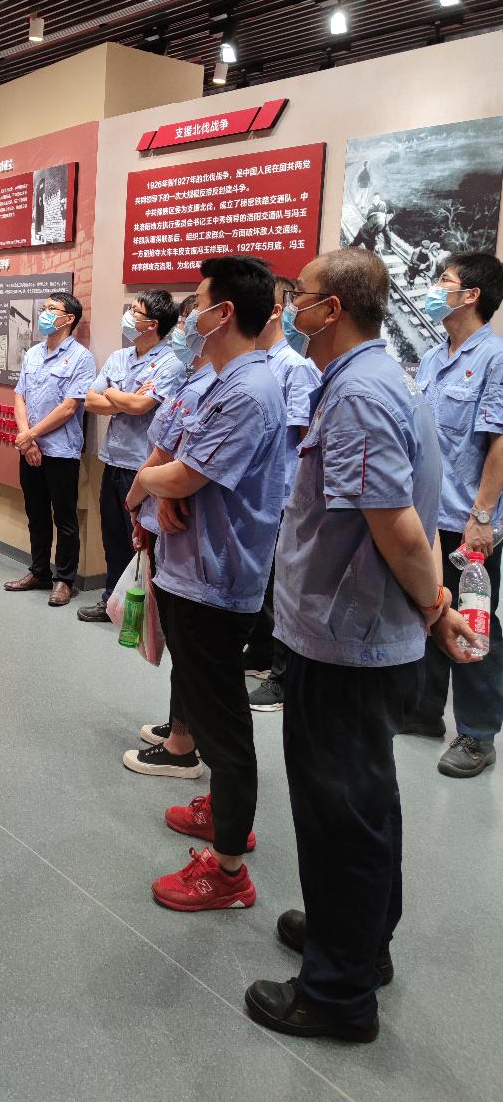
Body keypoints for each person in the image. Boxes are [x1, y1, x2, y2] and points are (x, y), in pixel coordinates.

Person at [244, 247, 478, 1044]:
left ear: (333, 308)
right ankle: (357, 941)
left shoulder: (360, 394)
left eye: (301, 295)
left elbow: (400, 528)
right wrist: (433, 608)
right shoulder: (373, 379)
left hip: (346, 642)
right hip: (357, 633)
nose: (292, 307)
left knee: (340, 811)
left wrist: (437, 605)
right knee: (364, 802)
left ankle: (337, 993)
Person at [129, 256, 286, 911]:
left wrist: (149, 482)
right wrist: (164, 485)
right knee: (204, 702)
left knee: (223, 725)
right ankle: (222, 810)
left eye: (197, 303)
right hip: (190, 569)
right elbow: (180, 458)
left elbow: (186, 474)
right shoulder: (220, 379)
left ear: (223, 313)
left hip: (217, 581)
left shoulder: (250, 390)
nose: (188, 314)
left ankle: (227, 870)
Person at [405, 252, 503, 776]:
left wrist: (482, 517)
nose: (433, 288)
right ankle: (423, 713)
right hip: (430, 513)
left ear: (471, 296)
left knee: (474, 619)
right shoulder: (433, 356)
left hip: (469, 519)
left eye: (443, 281)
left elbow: (499, 443)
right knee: (428, 606)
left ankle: (478, 734)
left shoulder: (495, 358)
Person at [123, 294, 217, 777]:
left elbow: (172, 461)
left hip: (183, 520)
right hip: (162, 511)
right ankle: (182, 723)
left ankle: (185, 743)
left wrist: (139, 495)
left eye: (189, 321)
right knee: (181, 638)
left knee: (191, 643)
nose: (183, 330)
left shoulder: (222, 384)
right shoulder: (187, 374)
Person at [78, 290, 182, 623]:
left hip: (143, 467)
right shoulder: (119, 357)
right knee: (113, 538)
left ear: (152, 324)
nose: (128, 315)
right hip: (113, 460)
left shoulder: (171, 362)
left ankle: (144, 614)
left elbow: (142, 406)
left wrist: (112, 393)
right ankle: (111, 601)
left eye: (135, 311)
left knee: (142, 542)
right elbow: (90, 401)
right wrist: (123, 397)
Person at [246, 275, 322, 708]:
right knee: (260, 581)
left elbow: (302, 440)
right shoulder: (253, 362)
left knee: (280, 587)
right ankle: (258, 652)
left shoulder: (295, 367)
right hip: (254, 492)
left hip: (282, 494)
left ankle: (281, 675)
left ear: (275, 311)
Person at [5, 293, 96, 607]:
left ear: (69, 318)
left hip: (61, 451)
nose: (43, 313)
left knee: (65, 519)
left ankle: (64, 580)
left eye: (51, 309)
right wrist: (27, 440)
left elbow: (69, 407)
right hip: (30, 449)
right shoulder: (33, 353)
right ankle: (39, 571)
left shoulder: (82, 357)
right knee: (36, 514)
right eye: (43, 308)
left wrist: (30, 435)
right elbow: (20, 396)